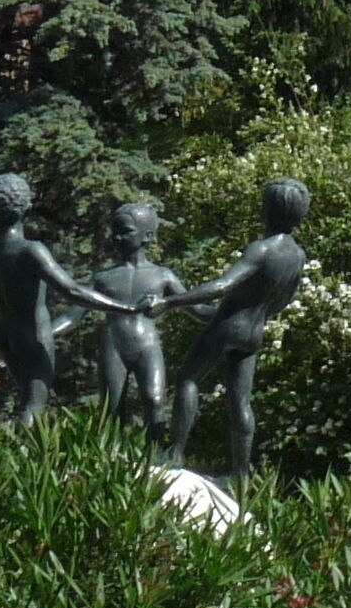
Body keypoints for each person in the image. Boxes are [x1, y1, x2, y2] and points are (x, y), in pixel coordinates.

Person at [169, 177, 313, 481]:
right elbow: (284, 299)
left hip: (229, 325)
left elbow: (221, 286)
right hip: (254, 332)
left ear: (268, 211)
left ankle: (176, 452)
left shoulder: (261, 249)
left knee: (187, 379)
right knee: (240, 401)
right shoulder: (297, 255)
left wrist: (170, 301)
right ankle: (240, 472)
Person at [0, 173, 122, 423]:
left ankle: (19, 454)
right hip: (32, 335)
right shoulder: (30, 250)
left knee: (27, 397)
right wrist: (124, 308)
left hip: (2, 334)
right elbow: (73, 291)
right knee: (34, 403)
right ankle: (21, 460)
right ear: (26, 206)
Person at [88, 201, 186, 444]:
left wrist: (228, 313)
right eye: (116, 231)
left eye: (125, 231)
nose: (118, 237)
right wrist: (46, 330)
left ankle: (155, 460)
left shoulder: (163, 275)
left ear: (148, 236)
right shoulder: (103, 277)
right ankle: (111, 463)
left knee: (154, 400)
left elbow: (194, 307)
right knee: (112, 408)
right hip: (114, 346)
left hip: (147, 345)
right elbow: (73, 313)